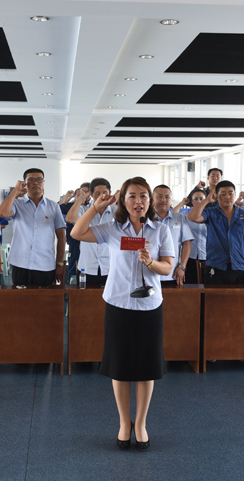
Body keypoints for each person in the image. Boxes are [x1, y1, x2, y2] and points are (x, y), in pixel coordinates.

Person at [70, 177, 175, 451]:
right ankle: (123, 422)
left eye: (143, 196)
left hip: (149, 306)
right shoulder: (113, 228)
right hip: (118, 304)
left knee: (146, 366)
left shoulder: (161, 230)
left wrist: (151, 263)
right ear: (123, 201)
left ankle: (140, 423)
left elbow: (168, 268)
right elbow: (77, 233)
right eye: (132, 196)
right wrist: (95, 208)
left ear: (150, 200)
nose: (138, 201)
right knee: (120, 365)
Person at [0, 168, 66, 286]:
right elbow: (2, 213)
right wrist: (15, 190)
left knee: (44, 297)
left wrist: (59, 264)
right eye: (31, 180)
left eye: (39, 179)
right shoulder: (17, 204)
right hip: (20, 263)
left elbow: (61, 236)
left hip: (45, 264)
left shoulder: (53, 206)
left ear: (44, 182)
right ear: (24, 183)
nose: (35, 182)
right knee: (20, 297)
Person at [187, 180, 244, 286]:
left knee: (240, 297)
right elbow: (192, 217)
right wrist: (207, 200)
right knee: (214, 297)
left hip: (239, 267)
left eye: (230, 193)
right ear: (217, 196)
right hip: (216, 267)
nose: (227, 197)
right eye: (223, 194)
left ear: (235, 195)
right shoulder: (211, 213)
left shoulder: (243, 216)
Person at [66, 179, 113, 287]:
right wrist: (82, 196)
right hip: (86, 267)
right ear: (91, 194)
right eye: (97, 193)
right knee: (85, 297)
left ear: (110, 193)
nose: (102, 196)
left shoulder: (116, 212)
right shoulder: (84, 210)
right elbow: (70, 218)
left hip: (110, 267)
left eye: (105, 193)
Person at [153, 185, 193, 286]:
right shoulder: (145, 219)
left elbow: (186, 243)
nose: (163, 200)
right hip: (150, 273)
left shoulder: (179, 218)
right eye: (159, 196)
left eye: (167, 197)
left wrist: (182, 266)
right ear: (152, 199)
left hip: (173, 273)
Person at [174, 188, 208, 284]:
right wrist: (182, 203)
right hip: (189, 256)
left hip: (206, 255)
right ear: (192, 201)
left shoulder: (210, 214)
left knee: (206, 284)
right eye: (196, 199)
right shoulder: (186, 215)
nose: (199, 201)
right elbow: (173, 215)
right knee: (190, 283)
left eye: (201, 199)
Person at [60, 183, 90, 283]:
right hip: (74, 242)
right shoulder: (70, 206)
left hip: (89, 243)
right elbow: (57, 209)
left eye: (86, 193)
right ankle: (72, 282)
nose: (83, 196)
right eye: (80, 194)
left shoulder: (92, 207)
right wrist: (67, 197)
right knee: (73, 263)